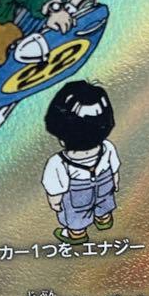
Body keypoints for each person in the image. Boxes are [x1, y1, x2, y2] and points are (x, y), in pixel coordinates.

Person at [42, 81, 120, 245]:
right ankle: (104, 220)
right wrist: (115, 181)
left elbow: (55, 188)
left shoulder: (58, 162)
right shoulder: (107, 147)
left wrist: (55, 201)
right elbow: (114, 169)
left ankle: (77, 235)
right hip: (105, 187)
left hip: (78, 196)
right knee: (104, 203)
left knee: (76, 216)